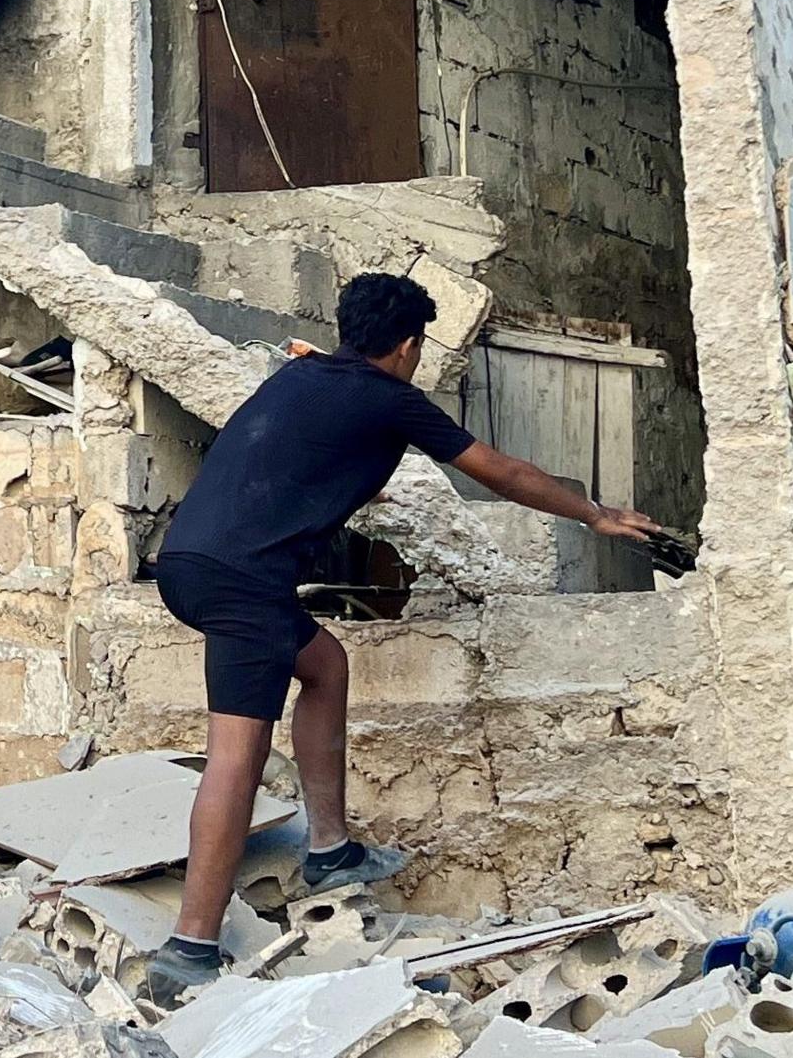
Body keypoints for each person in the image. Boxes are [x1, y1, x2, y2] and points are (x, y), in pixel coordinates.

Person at [139, 272, 658, 1003]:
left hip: (190, 561)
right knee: (238, 752)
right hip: (242, 581)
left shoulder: (304, 375)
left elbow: (302, 456)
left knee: (323, 663)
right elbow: (501, 472)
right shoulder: (390, 398)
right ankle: (190, 946)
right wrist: (594, 513)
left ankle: (330, 848)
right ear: (410, 345)